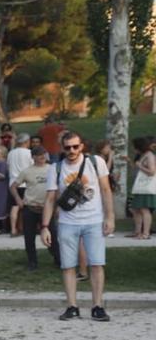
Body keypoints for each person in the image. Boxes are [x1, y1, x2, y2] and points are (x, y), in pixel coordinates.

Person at [42, 131, 114, 322]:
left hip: (94, 220)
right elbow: (50, 199)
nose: (72, 150)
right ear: (62, 148)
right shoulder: (56, 168)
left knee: (97, 264)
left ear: (82, 146)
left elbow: (106, 190)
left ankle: (97, 306)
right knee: (68, 266)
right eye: (67, 147)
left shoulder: (95, 162)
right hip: (67, 223)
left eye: (75, 146)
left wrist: (110, 217)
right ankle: (72, 306)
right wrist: (45, 226)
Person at [12, 146, 53, 271]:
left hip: (47, 208)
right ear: (33, 157)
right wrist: (19, 200)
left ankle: (58, 258)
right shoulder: (27, 171)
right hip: (30, 207)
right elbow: (13, 186)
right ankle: (32, 262)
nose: (42, 157)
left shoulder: (52, 169)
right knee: (29, 237)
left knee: (53, 235)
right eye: (39, 155)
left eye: (44, 154)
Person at [129, 136, 156, 240]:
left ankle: (145, 233)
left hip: (146, 187)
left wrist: (140, 166)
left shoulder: (149, 155)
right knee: (136, 209)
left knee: (144, 210)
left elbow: (152, 172)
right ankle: (138, 231)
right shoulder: (144, 155)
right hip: (140, 187)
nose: (133, 148)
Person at [7, 132, 33, 236]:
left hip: (13, 182)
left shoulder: (11, 153)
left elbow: (8, 166)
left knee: (14, 207)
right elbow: (32, 167)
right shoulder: (29, 153)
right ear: (26, 142)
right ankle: (25, 228)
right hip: (26, 183)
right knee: (27, 208)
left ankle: (13, 229)